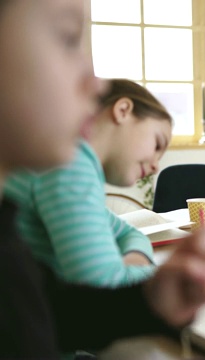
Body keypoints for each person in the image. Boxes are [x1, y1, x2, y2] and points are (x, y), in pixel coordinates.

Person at [0, 0, 205, 357]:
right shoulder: (72, 166)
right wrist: (144, 273)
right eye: (69, 37)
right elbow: (100, 283)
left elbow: (123, 233)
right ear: (123, 110)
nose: (94, 83)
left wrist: (148, 290)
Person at [4, 78, 172, 288]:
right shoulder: (70, 165)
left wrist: (134, 261)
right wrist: (160, 274)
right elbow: (103, 287)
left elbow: (131, 234)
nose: (156, 166)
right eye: (158, 144)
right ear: (123, 110)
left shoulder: (74, 164)